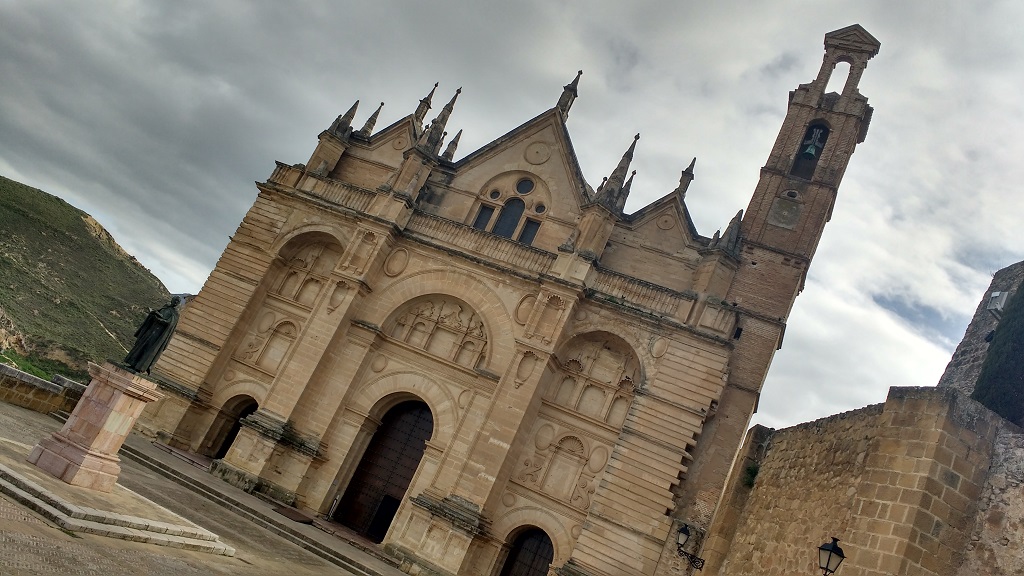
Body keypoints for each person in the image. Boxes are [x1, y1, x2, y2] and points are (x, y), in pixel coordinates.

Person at [123, 296, 181, 373]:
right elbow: (156, 313)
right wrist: (153, 314)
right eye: (175, 300)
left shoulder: (175, 313)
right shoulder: (165, 308)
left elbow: (170, 324)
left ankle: (139, 367)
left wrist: (160, 320)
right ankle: (133, 363)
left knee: (148, 350)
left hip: (158, 335)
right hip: (151, 330)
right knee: (141, 346)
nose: (175, 302)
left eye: (177, 302)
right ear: (172, 300)